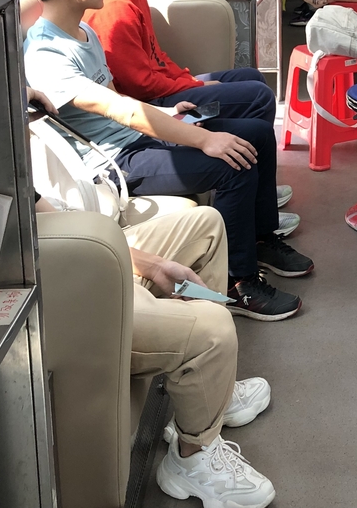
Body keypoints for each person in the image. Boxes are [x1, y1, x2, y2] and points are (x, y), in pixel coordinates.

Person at [21, 0, 313, 322]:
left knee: (259, 135)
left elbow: (121, 100)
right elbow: (118, 110)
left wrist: (172, 114)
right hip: (114, 162)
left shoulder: (83, 31)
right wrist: (204, 140)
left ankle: (259, 239)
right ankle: (237, 283)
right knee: (232, 163)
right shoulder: (47, 54)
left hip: (134, 138)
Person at [29, 82, 274, 506]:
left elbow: (53, 218)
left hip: (83, 248)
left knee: (206, 225)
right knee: (213, 329)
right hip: (64, 285)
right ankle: (191, 459)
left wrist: (150, 263)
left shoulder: (15, 116)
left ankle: (210, 392)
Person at [86, 0, 297, 226]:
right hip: (155, 103)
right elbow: (140, 85)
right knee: (259, 97)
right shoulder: (114, 8)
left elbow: (156, 57)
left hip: (166, 89)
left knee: (251, 77)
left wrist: (192, 81)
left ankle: (258, 191)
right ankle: (257, 204)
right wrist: (193, 85)